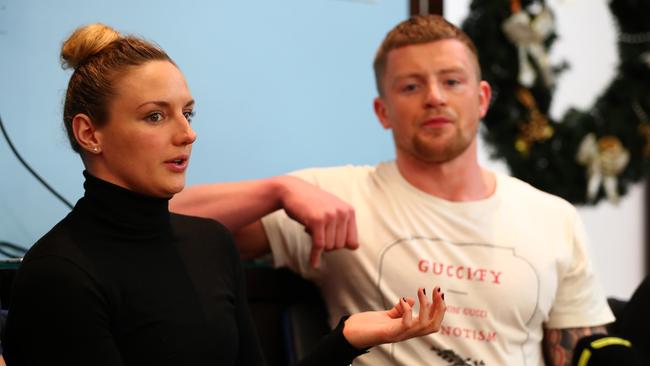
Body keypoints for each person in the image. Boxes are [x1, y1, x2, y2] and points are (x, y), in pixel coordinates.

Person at [171, 15, 615, 365]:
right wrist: (278, 190)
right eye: (411, 86)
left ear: (481, 98)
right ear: (383, 111)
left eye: (452, 81)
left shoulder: (552, 216)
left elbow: (580, 352)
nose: (435, 97)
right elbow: (160, 222)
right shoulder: (340, 195)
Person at [0, 23, 447, 366]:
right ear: (89, 132)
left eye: (188, 112)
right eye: (155, 117)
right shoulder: (58, 272)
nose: (188, 133)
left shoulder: (210, 243)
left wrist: (346, 339)